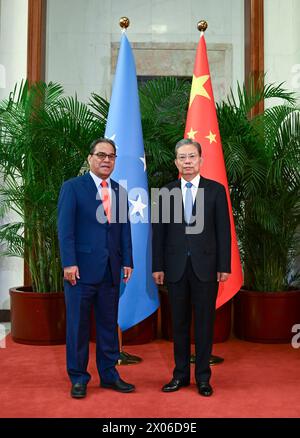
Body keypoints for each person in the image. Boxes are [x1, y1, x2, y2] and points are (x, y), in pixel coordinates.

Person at [152, 138, 231, 397]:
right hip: (174, 268)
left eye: (191, 157)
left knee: (205, 324)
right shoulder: (166, 192)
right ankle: (180, 375)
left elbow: (223, 232)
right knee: (179, 324)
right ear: (176, 162)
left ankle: (203, 379)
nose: (187, 162)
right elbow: (159, 235)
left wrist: (224, 265)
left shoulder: (216, 191)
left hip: (206, 268)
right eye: (182, 158)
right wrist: (157, 266)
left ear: (200, 160)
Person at [58, 138, 135, 398]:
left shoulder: (120, 192)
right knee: (78, 326)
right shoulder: (73, 188)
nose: (106, 160)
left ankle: (109, 375)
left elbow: (124, 230)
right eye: (101, 155)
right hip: (79, 272)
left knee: (107, 325)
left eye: (111, 156)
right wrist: (69, 263)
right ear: (90, 158)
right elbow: (65, 230)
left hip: (111, 271)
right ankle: (78, 378)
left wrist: (128, 260)